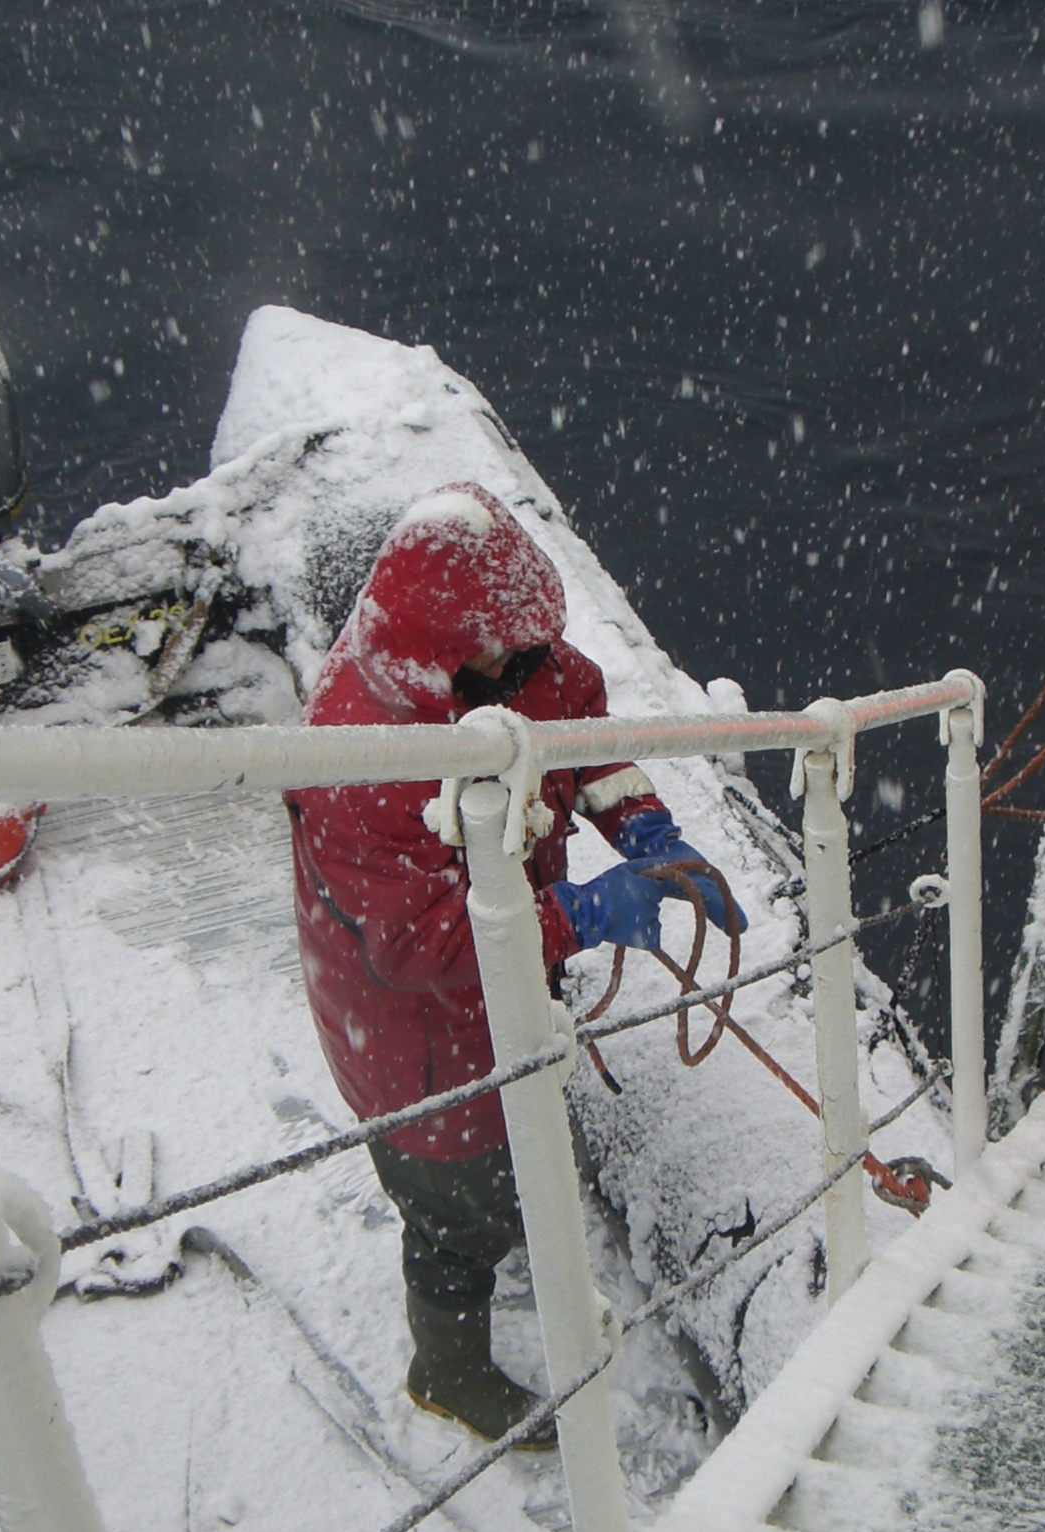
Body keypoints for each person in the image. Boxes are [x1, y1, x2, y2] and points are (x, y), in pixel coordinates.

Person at [285, 483, 743, 1444]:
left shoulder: (515, 659)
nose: (521, 660)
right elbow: (413, 943)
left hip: (502, 976)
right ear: (446, 647)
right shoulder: (356, 749)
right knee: (454, 1205)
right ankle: (446, 1370)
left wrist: (644, 828)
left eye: (526, 643)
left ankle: (510, 1204)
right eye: (502, 649)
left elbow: (580, 723)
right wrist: (581, 913)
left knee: (510, 1128)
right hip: (407, 1026)